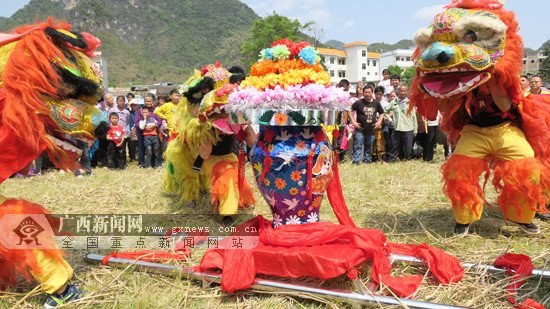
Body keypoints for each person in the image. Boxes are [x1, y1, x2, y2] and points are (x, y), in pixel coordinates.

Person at [348, 86, 385, 164]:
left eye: (369, 92)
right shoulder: (359, 102)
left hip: (371, 129)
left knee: (369, 146)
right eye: (365, 92)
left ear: (372, 93)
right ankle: (356, 161)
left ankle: (367, 161)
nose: (367, 94)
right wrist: (353, 122)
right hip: (360, 129)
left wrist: (379, 122)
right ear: (363, 93)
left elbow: (382, 113)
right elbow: (350, 111)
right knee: (358, 146)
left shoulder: (376, 103)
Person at [387, 85, 417, 162]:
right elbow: (385, 112)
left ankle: (408, 161)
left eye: (404, 91)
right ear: (398, 91)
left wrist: (415, 129)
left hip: (408, 128)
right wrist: (390, 120)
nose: (402, 92)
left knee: (408, 147)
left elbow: (414, 116)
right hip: (397, 128)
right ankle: (393, 160)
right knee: (395, 146)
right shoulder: (394, 102)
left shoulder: (410, 102)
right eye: (401, 91)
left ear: (407, 92)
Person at [135, 94, 161, 168]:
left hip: (153, 134)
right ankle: (141, 163)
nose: (148, 103)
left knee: (152, 149)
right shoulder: (140, 111)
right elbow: (137, 122)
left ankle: (152, 163)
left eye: (150, 101)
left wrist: (154, 126)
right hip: (142, 133)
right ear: (144, 101)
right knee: (141, 149)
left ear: (153, 101)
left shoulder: (155, 111)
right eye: (147, 101)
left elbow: (159, 121)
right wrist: (144, 128)